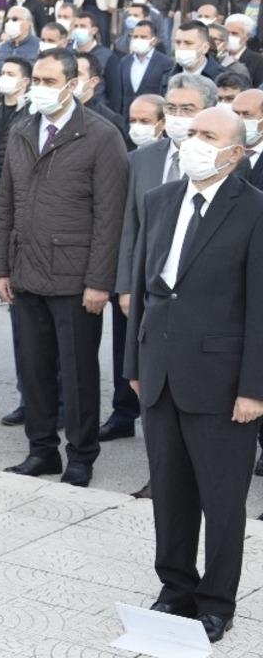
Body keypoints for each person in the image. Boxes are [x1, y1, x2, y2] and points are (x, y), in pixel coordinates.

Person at [125, 106, 263, 644]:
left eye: (209, 135)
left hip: (224, 382)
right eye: (192, 132)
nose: (193, 141)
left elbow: (259, 306)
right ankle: (175, 586)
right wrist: (135, 364)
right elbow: (146, 288)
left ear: (236, 152)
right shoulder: (159, 201)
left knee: (222, 500)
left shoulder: (253, 211)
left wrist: (255, 387)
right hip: (159, 373)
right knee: (171, 491)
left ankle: (216, 601)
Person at [0, 49, 128, 487]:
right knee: (33, 369)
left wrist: (99, 282)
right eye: (37, 80)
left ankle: (81, 455)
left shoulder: (101, 135)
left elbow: (111, 216)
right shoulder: (22, 130)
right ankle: (41, 450)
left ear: (74, 85)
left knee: (77, 373)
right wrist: (0, 268)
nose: (41, 88)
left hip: (75, 278)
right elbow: (5, 204)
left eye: (51, 81)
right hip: (26, 269)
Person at [106, 93, 173, 452]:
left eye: (146, 120)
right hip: (139, 275)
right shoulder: (137, 161)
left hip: (177, 276)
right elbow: (128, 226)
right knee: (127, 347)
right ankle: (123, 412)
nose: (137, 127)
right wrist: (123, 285)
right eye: (133, 119)